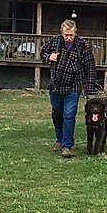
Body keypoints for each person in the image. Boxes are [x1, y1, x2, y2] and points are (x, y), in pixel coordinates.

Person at [41, 19, 97, 158]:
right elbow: (42, 53)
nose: (69, 38)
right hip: (56, 86)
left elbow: (90, 66)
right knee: (57, 114)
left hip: (74, 86)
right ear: (62, 33)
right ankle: (59, 140)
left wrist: (89, 87)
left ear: (75, 33)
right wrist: (49, 57)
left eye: (71, 35)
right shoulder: (54, 42)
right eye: (66, 35)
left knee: (69, 115)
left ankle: (67, 146)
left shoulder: (82, 45)